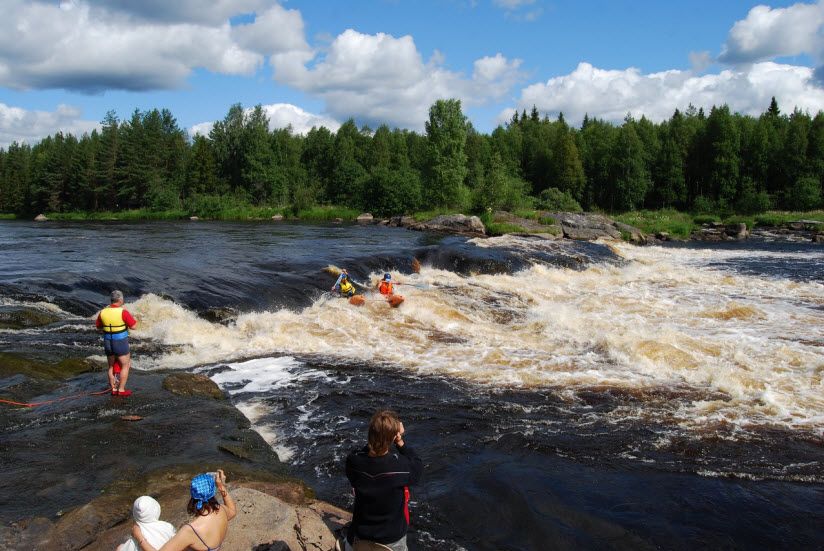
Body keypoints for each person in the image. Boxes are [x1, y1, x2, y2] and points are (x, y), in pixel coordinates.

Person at [344, 410, 423, 551]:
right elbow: (417, 466)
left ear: (370, 435)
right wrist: (400, 442)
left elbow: (361, 454)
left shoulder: (353, 462)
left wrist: (378, 438)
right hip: (392, 542)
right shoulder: (402, 467)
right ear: (393, 438)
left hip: (359, 539)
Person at [131, 470, 236, 551]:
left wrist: (139, 537)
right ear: (212, 491)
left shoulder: (190, 530)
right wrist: (221, 486)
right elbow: (232, 511)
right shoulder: (221, 509)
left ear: (193, 495)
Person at [95, 290, 138, 396]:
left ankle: (113, 389)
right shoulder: (123, 312)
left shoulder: (103, 312)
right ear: (120, 300)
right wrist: (135, 320)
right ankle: (121, 390)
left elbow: (98, 326)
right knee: (125, 365)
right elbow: (134, 326)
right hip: (120, 342)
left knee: (111, 366)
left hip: (108, 341)